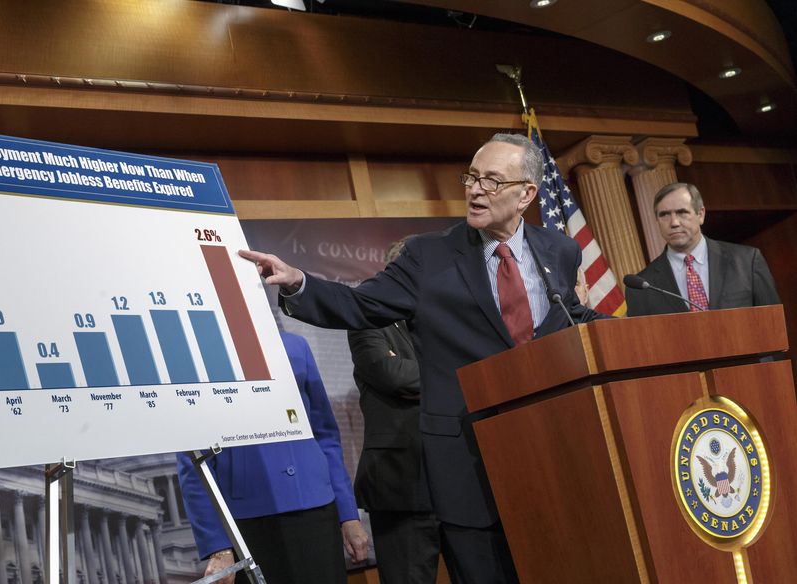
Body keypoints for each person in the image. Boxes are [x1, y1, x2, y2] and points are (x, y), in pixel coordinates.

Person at [239, 133, 601, 583]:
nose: (475, 190)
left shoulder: (559, 251)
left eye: (491, 181)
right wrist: (298, 283)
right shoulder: (429, 256)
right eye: (471, 177)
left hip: (548, 451)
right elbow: (361, 305)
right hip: (468, 463)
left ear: (527, 194)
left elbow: (569, 314)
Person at [177, 331, 368, 584]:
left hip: (316, 511)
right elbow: (193, 462)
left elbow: (325, 435)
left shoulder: (296, 345)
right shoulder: (195, 354)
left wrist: (348, 515)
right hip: (248, 522)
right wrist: (218, 546)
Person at [348, 238, 440, 584]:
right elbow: (392, 375)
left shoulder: (449, 319)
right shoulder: (368, 318)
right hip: (402, 485)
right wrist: (451, 374)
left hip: (459, 481)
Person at [626, 182, 780, 316]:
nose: (674, 222)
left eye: (682, 212)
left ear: (701, 215)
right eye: (664, 215)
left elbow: (773, 327)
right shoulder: (643, 286)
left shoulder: (747, 261)